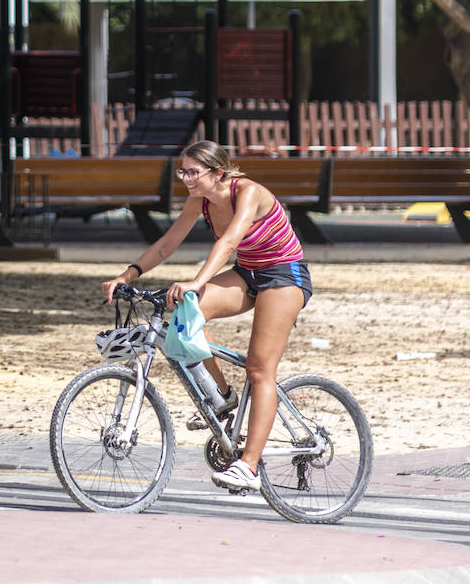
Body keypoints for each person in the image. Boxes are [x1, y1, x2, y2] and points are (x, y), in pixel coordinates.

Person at [101, 139, 313, 494]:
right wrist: (128, 274)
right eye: (182, 171)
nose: (186, 178)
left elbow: (228, 242)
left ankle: (249, 467)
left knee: (260, 369)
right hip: (248, 272)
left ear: (217, 173)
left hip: (284, 275)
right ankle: (223, 396)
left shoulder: (248, 192)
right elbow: (167, 244)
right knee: (190, 313)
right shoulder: (199, 199)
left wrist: (197, 281)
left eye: (192, 172)